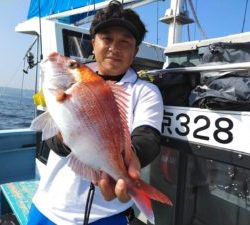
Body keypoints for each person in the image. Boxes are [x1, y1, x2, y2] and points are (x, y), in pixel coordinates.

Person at [27, 1, 164, 224]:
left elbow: (147, 136)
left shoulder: (145, 91)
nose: (114, 47)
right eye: (107, 38)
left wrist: (130, 163)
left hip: (106, 214)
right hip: (47, 207)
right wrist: (63, 135)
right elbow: (50, 134)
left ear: (135, 50)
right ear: (93, 43)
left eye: (124, 42)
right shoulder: (71, 80)